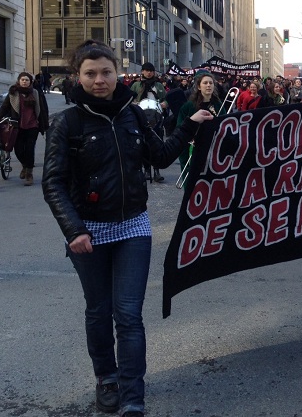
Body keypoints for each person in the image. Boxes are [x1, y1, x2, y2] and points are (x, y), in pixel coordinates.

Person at [42, 40, 214, 417]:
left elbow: (161, 155)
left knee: (129, 315)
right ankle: (107, 379)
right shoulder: (67, 123)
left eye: (106, 71)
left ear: (117, 72)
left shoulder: (132, 115)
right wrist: (74, 231)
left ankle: (132, 395)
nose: (99, 80)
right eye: (90, 73)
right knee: (99, 312)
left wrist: (189, 126)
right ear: (78, 77)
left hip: (133, 228)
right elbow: (53, 182)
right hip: (88, 232)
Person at [0, 72, 49, 186]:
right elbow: (4, 107)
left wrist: (45, 126)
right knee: (18, 150)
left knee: (29, 149)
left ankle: (29, 174)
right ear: (19, 81)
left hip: (33, 126)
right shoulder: (13, 93)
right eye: (22, 80)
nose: (24, 82)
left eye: (27, 80)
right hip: (17, 126)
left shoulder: (36, 93)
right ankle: (25, 165)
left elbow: (42, 109)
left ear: (30, 82)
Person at [177, 71, 223, 174]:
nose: (208, 85)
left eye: (211, 83)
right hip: (192, 148)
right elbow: (180, 128)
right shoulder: (188, 106)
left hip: (213, 149)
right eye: (205, 83)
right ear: (198, 86)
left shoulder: (218, 105)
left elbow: (225, 124)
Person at [130, 63, 169, 182]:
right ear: (142, 72)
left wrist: (165, 104)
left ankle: (156, 171)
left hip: (156, 118)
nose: (149, 73)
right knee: (144, 143)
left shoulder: (158, 85)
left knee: (157, 142)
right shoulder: (136, 85)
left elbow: (166, 99)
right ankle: (146, 170)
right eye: (146, 70)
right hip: (141, 117)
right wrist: (134, 103)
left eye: (151, 71)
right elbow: (129, 98)